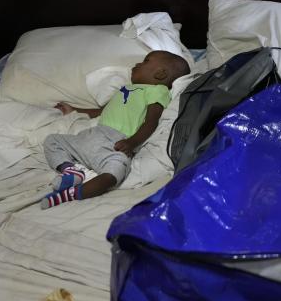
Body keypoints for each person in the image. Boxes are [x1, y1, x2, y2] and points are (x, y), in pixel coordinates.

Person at [40, 50, 190, 209]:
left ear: (160, 74)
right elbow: (102, 111)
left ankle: (70, 194)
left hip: (116, 142)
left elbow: (151, 122)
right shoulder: (125, 89)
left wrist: (132, 143)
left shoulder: (158, 91)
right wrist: (74, 109)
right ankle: (70, 171)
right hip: (92, 134)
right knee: (52, 140)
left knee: (114, 174)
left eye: (145, 61)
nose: (137, 64)